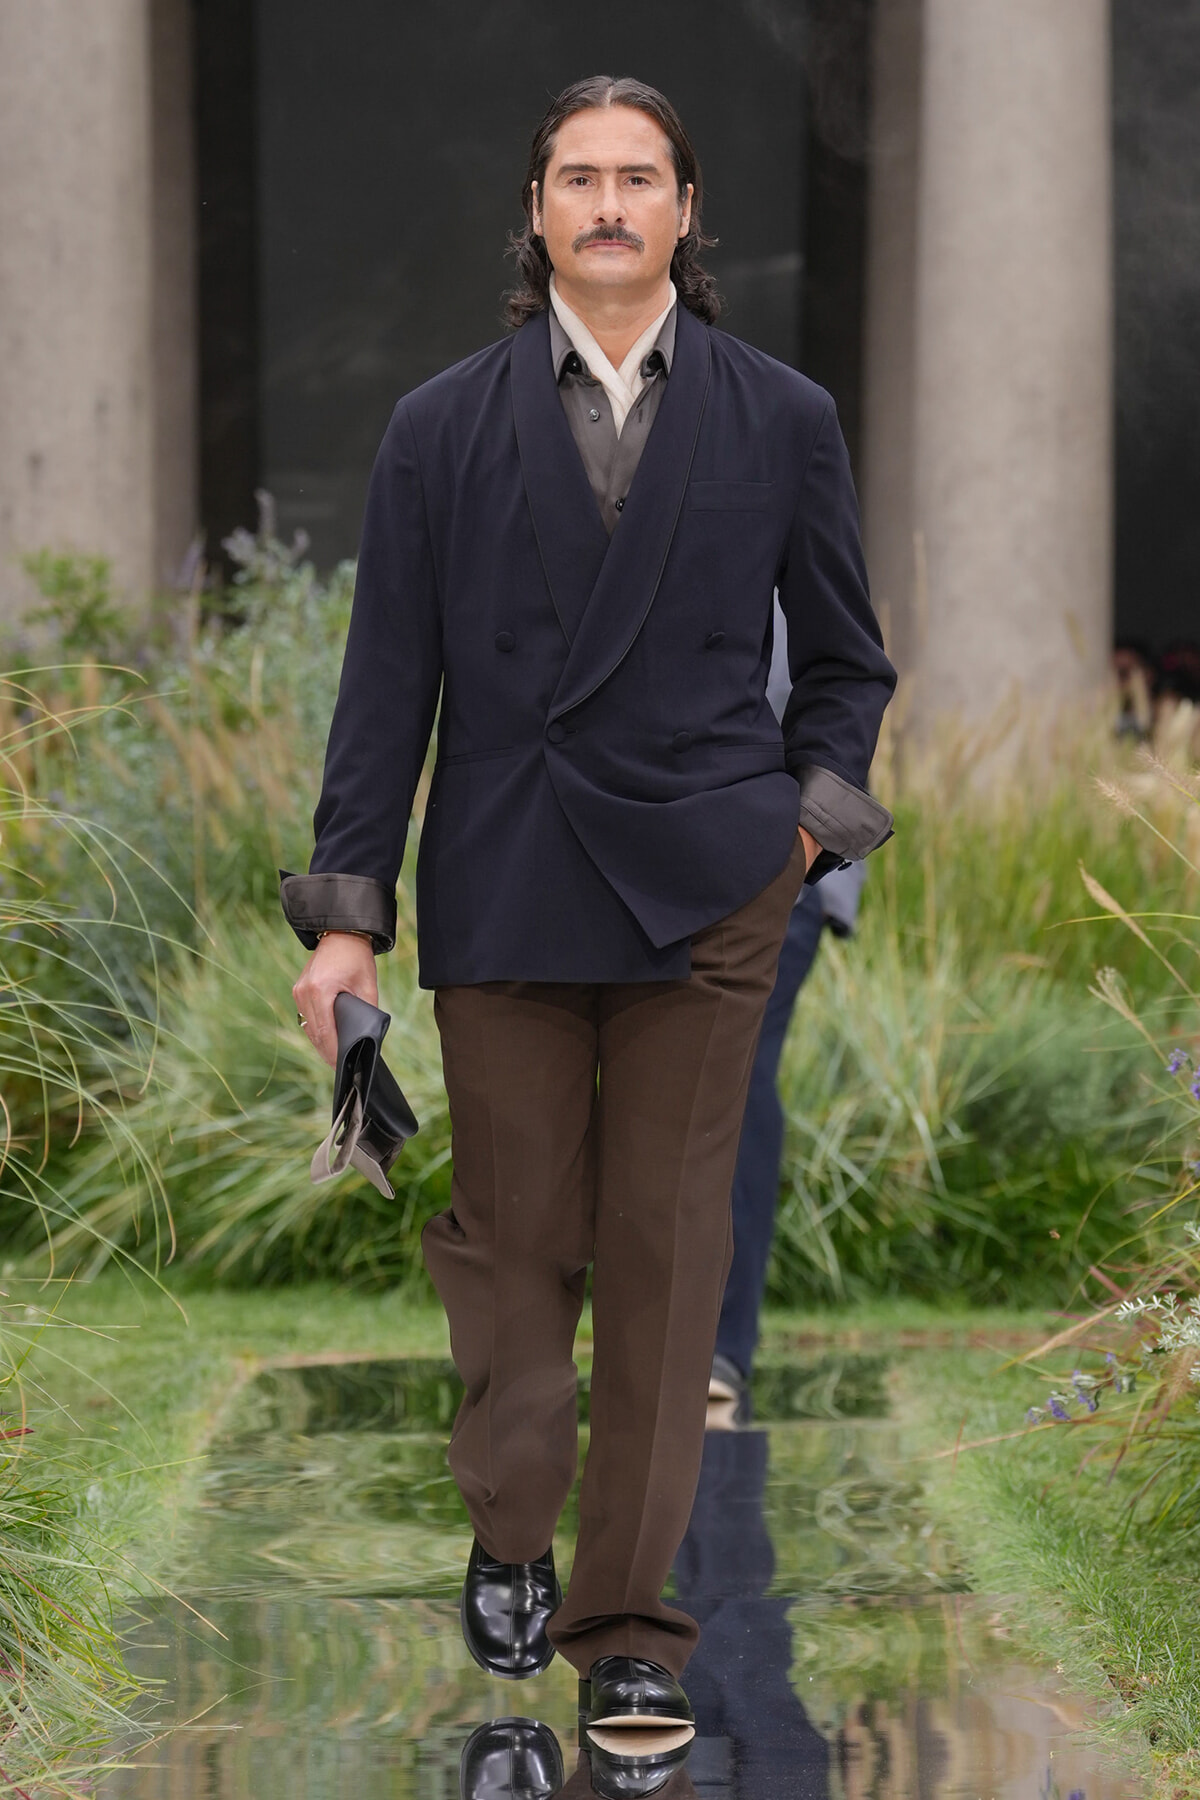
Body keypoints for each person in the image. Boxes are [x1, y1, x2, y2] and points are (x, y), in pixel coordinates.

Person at [285, 73, 895, 1780]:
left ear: (688, 212)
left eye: (641, 176)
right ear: (537, 213)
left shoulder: (782, 419)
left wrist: (801, 831)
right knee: (512, 1243)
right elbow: (383, 692)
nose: (610, 203)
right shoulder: (438, 430)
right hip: (509, 885)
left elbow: (847, 667)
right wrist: (347, 926)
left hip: (713, 893)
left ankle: (630, 1632)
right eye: (579, 178)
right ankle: (511, 1527)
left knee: (666, 1257)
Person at [710, 603, 867, 1418]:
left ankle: (720, 1349)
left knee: (734, 1083)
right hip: (666, 873)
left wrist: (801, 850)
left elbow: (842, 679)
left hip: (779, 872)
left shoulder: (773, 510)